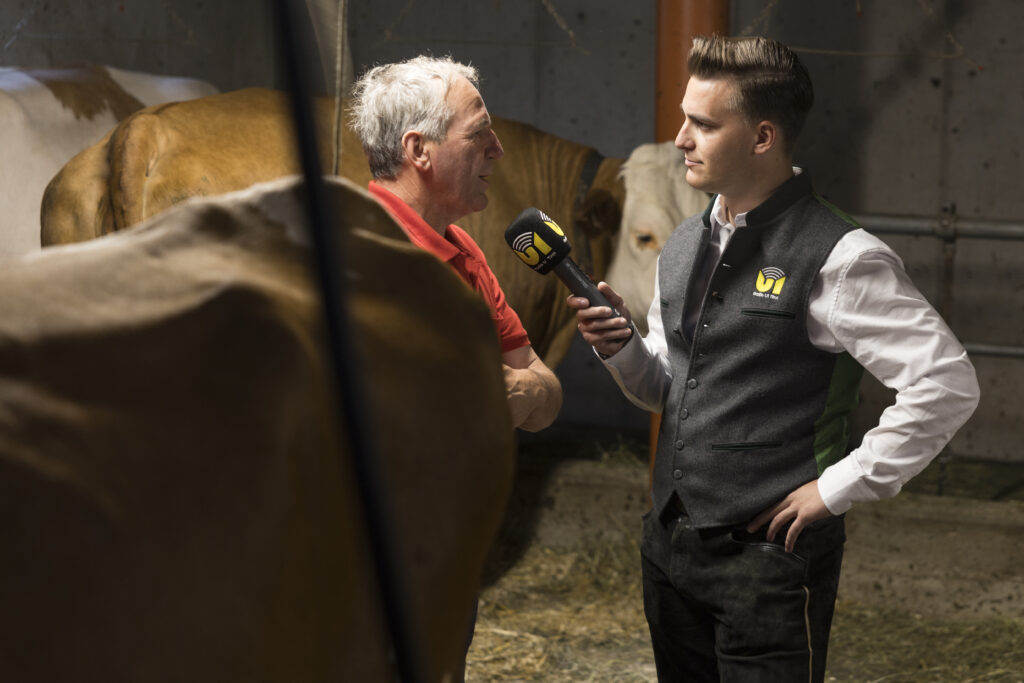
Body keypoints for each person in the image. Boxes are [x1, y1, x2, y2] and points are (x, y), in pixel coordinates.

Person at [569, 35, 980, 681]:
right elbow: (671, 388)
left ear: (762, 137)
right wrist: (620, 347)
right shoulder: (681, 244)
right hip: (669, 548)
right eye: (685, 118)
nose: (680, 138)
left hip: (771, 564)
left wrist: (837, 487)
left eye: (703, 123)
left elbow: (947, 383)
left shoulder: (842, 256)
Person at [349, 55, 562, 432]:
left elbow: (543, 397)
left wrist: (528, 389)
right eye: (477, 134)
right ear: (418, 150)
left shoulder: (462, 248)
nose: (497, 149)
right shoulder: (356, 256)